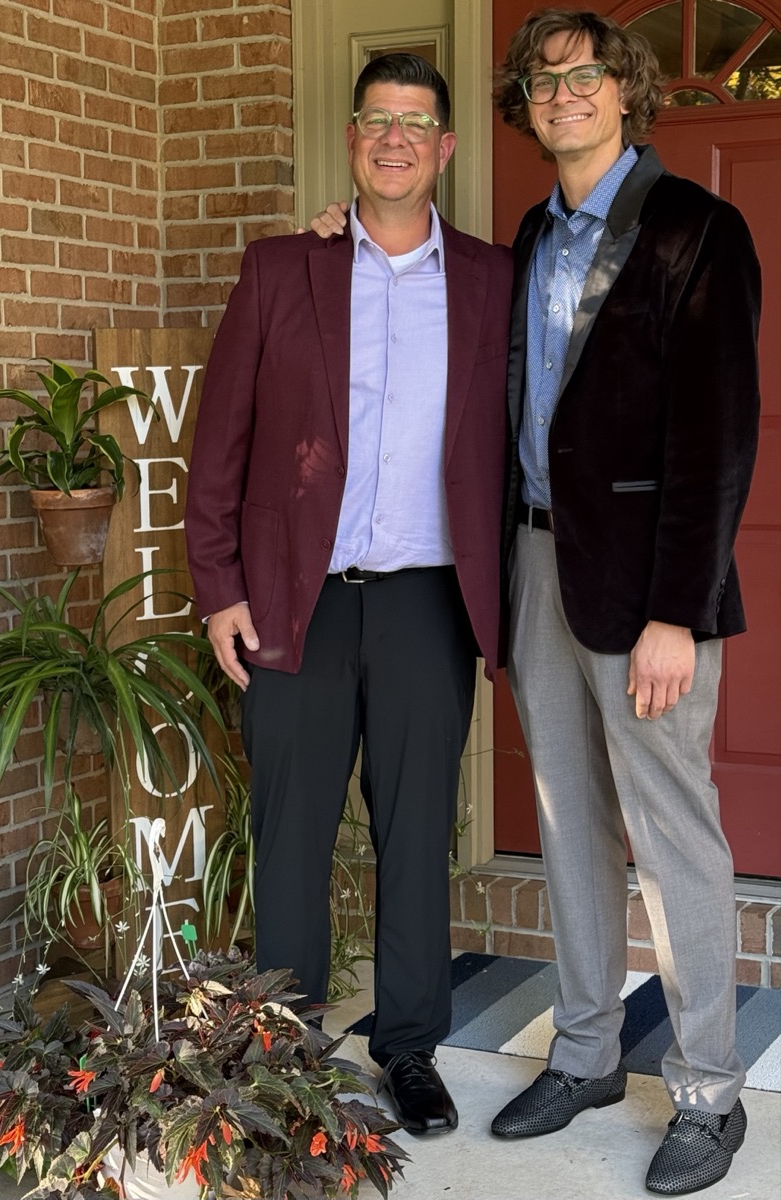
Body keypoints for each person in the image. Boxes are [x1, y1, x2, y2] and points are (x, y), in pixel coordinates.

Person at [184, 53, 512, 1136]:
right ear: (353, 140)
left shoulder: (492, 280)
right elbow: (219, 436)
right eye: (376, 119)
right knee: (293, 831)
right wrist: (218, 586)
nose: (394, 138)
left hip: (427, 599)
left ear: (444, 148)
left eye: (416, 123)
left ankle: (409, 1048)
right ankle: (286, 1051)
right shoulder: (285, 268)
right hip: (294, 598)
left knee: (416, 832)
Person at [487, 10, 761, 1196]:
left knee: (675, 835)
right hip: (539, 566)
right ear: (530, 105)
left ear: (625, 92)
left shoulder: (698, 229)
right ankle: (590, 1052)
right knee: (568, 823)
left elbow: (718, 441)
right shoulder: (530, 236)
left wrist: (678, 610)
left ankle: (708, 1093)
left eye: (587, 75)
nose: (566, 94)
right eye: (545, 82)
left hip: (649, 582)